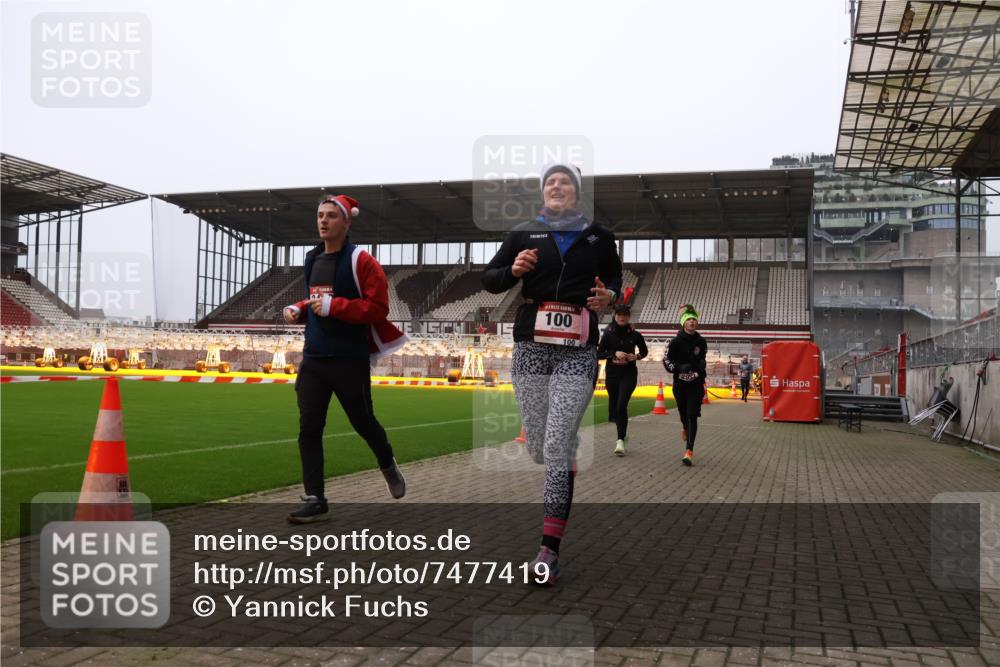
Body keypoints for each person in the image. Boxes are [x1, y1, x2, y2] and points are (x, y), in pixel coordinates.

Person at [482, 163, 621, 584]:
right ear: (543, 194)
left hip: (578, 350)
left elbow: (615, 281)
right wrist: (514, 272)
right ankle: (563, 451)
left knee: (557, 445)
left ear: (576, 193)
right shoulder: (523, 234)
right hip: (531, 346)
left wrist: (609, 296)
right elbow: (489, 279)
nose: (557, 187)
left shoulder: (599, 236)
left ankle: (548, 550)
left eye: (565, 182)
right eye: (550, 182)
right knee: (539, 448)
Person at [282, 194, 409, 524]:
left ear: (347, 222)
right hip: (314, 360)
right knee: (309, 428)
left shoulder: (362, 261)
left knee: (364, 423)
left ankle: (387, 462)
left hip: (349, 359)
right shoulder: (312, 259)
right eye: (320, 215)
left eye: (331, 216)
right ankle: (315, 497)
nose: (323, 221)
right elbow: (317, 300)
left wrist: (335, 306)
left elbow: (378, 308)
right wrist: (301, 308)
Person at [597, 303, 648, 456]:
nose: (622, 317)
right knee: (614, 406)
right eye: (619, 314)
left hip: (629, 374)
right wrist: (614, 354)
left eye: (625, 315)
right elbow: (599, 354)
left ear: (629, 317)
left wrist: (636, 356)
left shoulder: (635, 334)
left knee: (621, 406)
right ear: (615, 316)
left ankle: (620, 440)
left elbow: (644, 351)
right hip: (612, 374)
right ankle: (623, 435)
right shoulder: (608, 333)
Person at [663, 304, 707, 466]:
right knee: (683, 414)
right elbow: (667, 360)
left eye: (694, 319)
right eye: (688, 319)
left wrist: (698, 372)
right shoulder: (675, 341)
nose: (692, 322)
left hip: (696, 384)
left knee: (692, 415)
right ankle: (684, 428)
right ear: (683, 322)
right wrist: (679, 368)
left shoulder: (701, 342)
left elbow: (702, 360)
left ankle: (689, 450)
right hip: (680, 385)